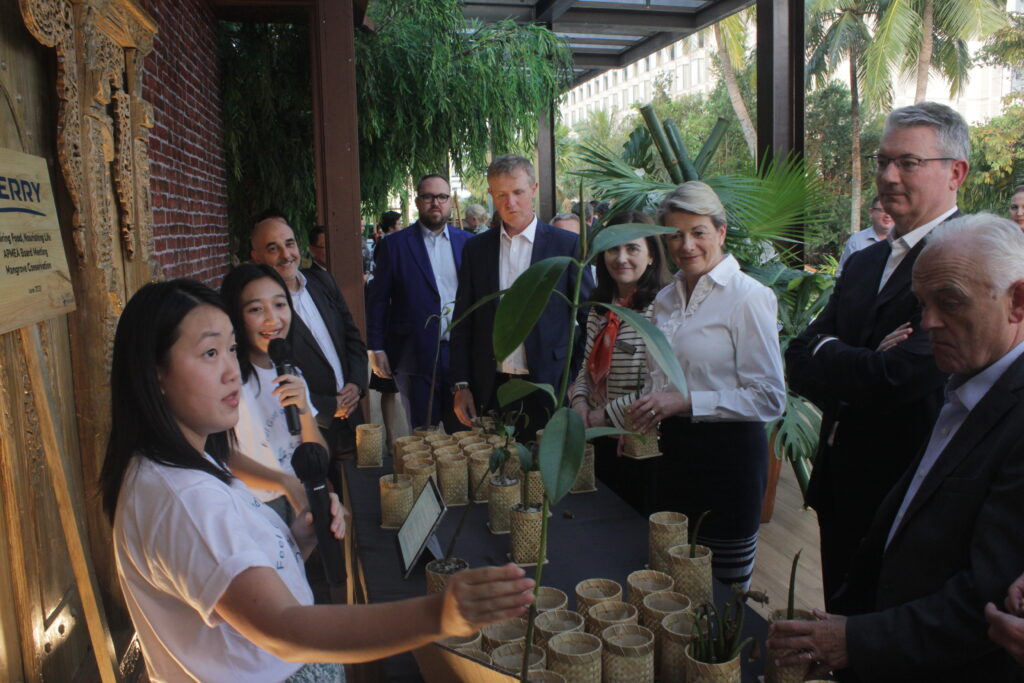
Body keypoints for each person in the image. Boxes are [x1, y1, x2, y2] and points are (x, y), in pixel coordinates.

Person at [100, 279, 535, 683]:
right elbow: (283, 629)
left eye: (232, 350)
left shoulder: (184, 468)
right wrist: (438, 616)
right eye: (210, 353)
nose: (231, 370)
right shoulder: (185, 498)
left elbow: (235, 586)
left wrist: (295, 540)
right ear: (155, 373)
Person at [769, 213, 1024, 683]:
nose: (927, 323)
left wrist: (857, 640)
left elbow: (986, 597)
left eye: (948, 303)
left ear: (1018, 302)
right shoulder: (964, 383)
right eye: (921, 304)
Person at [785, 102, 968, 609]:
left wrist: (835, 352)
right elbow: (798, 359)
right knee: (841, 623)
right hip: (840, 484)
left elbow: (900, 376)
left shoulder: (966, 256)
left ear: (955, 173)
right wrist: (859, 356)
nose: (887, 176)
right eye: (883, 160)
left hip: (912, 493)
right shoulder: (865, 261)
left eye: (908, 162)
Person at [626, 181, 786, 589]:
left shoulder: (748, 297)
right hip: (672, 460)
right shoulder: (665, 298)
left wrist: (685, 402)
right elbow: (661, 379)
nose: (686, 245)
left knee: (719, 602)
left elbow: (770, 398)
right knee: (668, 589)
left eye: (698, 232)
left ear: (721, 231)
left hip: (727, 464)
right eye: (675, 234)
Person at [450, 154, 592, 440]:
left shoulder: (567, 245)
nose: (510, 202)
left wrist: (575, 377)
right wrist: (461, 384)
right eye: (501, 194)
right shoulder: (476, 250)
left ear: (534, 189)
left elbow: (589, 316)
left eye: (518, 192)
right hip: (490, 386)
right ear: (490, 194)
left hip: (548, 384)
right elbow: (464, 319)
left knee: (542, 475)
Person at [250, 211, 368, 491]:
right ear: (256, 257)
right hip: (309, 431)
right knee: (325, 515)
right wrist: (329, 405)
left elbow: (352, 337)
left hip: (353, 421)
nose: (285, 254)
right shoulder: (261, 314)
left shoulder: (322, 282)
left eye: (289, 244)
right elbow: (270, 380)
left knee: (362, 501)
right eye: (272, 248)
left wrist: (356, 383)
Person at [570, 210, 669, 514]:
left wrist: (604, 417)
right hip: (595, 436)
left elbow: (660, 384)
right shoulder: (600, 308)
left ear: (651, 255)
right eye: (614, 248)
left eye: (632, 248)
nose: (621, 258)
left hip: (639, 441)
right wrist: (580, 406)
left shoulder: (663, 309)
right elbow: (586, 366)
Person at [219, 263, 327, 524]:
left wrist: (303, 412)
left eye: (280, 304)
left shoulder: (292, 372)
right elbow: (223, 452)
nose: (272, 319)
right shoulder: (229, 379)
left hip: (299, 497)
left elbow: (319, 453)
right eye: (256, 309)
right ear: (235, 316)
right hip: (255, 506)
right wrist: (282, 482)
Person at [367, 176, 471, 433]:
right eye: (428, 197)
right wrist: (376, 348)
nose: (436, 203)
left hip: (460, 353)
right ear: (417, 201)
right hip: (414, 353)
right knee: (423, 433)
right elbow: (378, 300)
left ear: (450, 201)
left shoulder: (469, 243)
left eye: (442, 197)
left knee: (465, 432)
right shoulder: (394, 245)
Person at [837, 196, 894, 276]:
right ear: (871, 212)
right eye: (883, 210)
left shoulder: (903, 241)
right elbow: (842, 274)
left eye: (891, 210)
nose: (888, 215)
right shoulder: (856, 241)